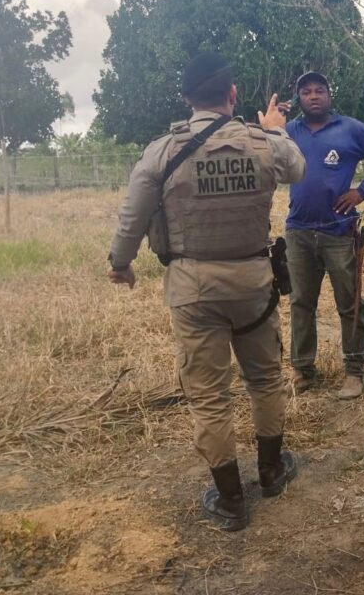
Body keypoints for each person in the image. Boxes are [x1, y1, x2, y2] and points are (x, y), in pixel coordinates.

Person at [107, 51, 306, 532]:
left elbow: (133, 215)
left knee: (210, 396)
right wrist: (275, 129)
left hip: (192, 287)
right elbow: (297, 168)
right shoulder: (264, 143)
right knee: (265, 379)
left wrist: (121, 263)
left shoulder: (162, 151)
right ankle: (272, 471)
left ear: (187, 98)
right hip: (254, 283)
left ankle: (231, 500)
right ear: (232, 94)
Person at [278, 71, 364, 400]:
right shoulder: (290, 131)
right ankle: (302, 371)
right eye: (306, 92)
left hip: (339, 231)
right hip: (298, 231)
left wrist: (362, 191)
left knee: (349, 301)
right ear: (299, 98)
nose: (313, 96)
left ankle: (354, 371)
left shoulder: (351, 129)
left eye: (320, 90)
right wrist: (272, 125)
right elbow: (263, 152)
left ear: (330, 95)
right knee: (301, 303)